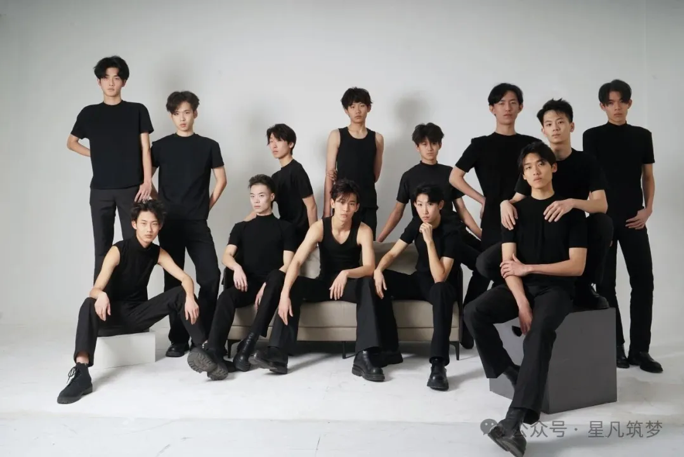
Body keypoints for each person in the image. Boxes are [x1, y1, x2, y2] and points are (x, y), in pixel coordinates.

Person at [466, 142, 587, 456]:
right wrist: (521, 303)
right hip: (519, 285)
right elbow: (508, 265)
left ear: (553, 167)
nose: (535, 171)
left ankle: (514, 422)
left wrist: (529, 268)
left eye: (541, 164)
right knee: (474, 311)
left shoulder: (571, 212)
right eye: (528, 167)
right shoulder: (514, 212)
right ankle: (510, 371)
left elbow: (576, 266)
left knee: (540, 332)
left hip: (556, 289)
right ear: (523, 174)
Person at [57, 200, 211, 404]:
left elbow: (185, 278)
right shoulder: (118, 250)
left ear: (160, 226)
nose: (149, 229)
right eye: (144, 223)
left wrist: (190, 297)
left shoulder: (158, 252)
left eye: (154, 224)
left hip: (138, 316)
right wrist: (101, 295)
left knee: (180, 294)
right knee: (88, 303)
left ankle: (207, 351)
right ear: (134, 224)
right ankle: (81, 372)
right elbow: (95, 289)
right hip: (111, 316)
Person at [250, 179, 393, 381]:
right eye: (341, 202)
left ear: (357, 207)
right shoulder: (319, 227)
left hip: (348, 285)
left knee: (367, 283)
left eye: (351, 203)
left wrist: (346, 273)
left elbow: (369, 267)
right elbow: (297, 260)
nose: (346, 209)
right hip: (324, 284)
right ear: (332, 203)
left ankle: (364, 356)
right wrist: (284, 294)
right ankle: (277, 354)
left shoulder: (363, 230)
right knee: (292, 285)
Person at [479, 99, 612, 310]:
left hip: (570, 232)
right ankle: (518, 287)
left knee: (603, 223)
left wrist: (571, 203)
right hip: (536, 235)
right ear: (543, 130)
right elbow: (517, 199)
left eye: (560, 122)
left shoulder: (587, 162)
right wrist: (505, 203)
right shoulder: (536, 162)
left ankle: (584, 287)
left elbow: (601, 205)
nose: (555, 128)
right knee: (485, 263)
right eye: (549, 124)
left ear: (572, 126)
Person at [376, 122, 482, 348]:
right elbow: (398, 211)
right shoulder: (409, 176)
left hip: (455, 233)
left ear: (440, 145)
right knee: (442, 278)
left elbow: (462, 210)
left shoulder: (449, 174)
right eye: (424, 144)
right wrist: (380, 239)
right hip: (428, 234)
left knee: (486, 264)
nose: (430, 148)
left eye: (434, 143)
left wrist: (480, 235)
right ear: (417, 147)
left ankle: (468, 318)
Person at [583, 79, 661, 373]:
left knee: (643, 281)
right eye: (610, 103)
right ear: (602, 106)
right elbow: (591, 179)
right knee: (605, 284)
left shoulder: (642, 136)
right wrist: (599, 220)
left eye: (621, 101)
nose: (617, 107)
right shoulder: (592, 136)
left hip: (634, 219)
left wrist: (648, 209)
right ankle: (614, 346)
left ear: (630, 103)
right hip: (605, 219)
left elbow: (647, 177)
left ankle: (640, 350)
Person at [189, 175, 297, 380]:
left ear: (272, 197)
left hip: (273, 285)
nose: (256, 200)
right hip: (248, 284)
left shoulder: (285, 228)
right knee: (226, 296)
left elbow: (288, 263)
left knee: (276, 276)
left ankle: (247, 347)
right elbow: (226, 256)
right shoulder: (241, 227)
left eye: (261, 195)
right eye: (252, 196)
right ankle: (214, 353)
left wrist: (268, 283)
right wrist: (236, 267)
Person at [151, 91, 226, 358]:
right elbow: (146, 180)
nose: (182, 118)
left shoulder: (209, 145)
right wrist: (160, 207)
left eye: (186, 112)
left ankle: (202, 335)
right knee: (173, 280)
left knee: (211, 276)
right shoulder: (160, 146)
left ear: (195, 113)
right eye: (176, 113)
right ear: (171, 116)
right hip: (170, 223)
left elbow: (221, 180)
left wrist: (206, 207)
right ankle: (178, 338)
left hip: (196, 222)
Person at [67, 56, 154, 281]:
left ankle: (133, 298)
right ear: (99, 82)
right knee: (102, 247)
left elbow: (146, 148)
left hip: (132, 189)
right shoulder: (89, 113)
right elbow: (71, 142)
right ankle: (100, 298)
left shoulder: (137, 110)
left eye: (116, 78)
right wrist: (96, 154)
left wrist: (147, 181)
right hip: (100, 190)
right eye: (106, 78)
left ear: (124, 81)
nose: (111, 83)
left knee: (133, 245)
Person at [375, 184, 467, 391]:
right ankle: (390, 350)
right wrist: (378, 270)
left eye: (430, 204)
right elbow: (393, 252)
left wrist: (429, 241)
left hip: (441, 286)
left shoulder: (452, 230)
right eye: (419, 205)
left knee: (441, 289)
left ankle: (438, 365)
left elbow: (440, 276)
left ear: (440, 205)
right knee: (376, 281)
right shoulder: (417, 222)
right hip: (419, 281)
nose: (424, 210)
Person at [450, 83, 539, 251]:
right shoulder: (480, 145)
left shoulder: (532, 144)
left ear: (520, 107)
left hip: (528, 216)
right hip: (494, 217)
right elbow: (454, 177)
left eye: (513, 103)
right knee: (491, 264)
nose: (507, 108)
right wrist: (483, 200)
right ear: (492, 108)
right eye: (501, 103)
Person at [324, 88, 384, 238]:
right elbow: (329, 175)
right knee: (341, 243)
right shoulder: (337, 135)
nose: (357, 110)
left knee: (367, 244)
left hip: (367, 202)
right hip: (342, 203)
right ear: (346, 110)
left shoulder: (377, 138)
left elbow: (375, 175)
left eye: (361, 105)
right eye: (352, 106)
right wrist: (327, 210)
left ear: (368, 108)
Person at [244, 124, 317, 247]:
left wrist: (313, 239)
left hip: (299, 234)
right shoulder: (275, 177)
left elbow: (312, 206)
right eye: (271, 141)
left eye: (278, 140)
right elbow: (262, 207)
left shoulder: (297, 171)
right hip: (284, 231)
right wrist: (241, 225)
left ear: (290, 144)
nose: (273, 145)